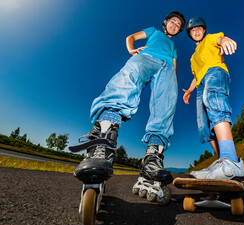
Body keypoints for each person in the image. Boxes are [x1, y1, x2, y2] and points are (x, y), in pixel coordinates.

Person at [71, 11, 186, 186]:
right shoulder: (154, 31)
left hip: (167, 69)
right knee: (128, 79)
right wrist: (131, 49)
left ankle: (153, 156)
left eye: (178, 25)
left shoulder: (173, 47)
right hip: (147, 58)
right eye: (173, 22)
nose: (175, 25)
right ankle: (103, 141)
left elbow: (174, 66)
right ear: (166, 22)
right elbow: (131, 36)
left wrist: (172, 83)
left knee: (166, 105)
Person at [182, 17, 244, 181]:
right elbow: (196, 77)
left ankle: (231, 160)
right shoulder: (192, 58)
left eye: (199, 29)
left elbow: (220, 39)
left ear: (203, 31)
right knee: (203, 125)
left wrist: (225, 40)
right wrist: (189, 90)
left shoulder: (210, 39)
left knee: (214, 102)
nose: (196, 31)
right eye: (193, 30)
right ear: (190, 34)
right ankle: (222, 163)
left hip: (215, 72)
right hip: (200, 84)